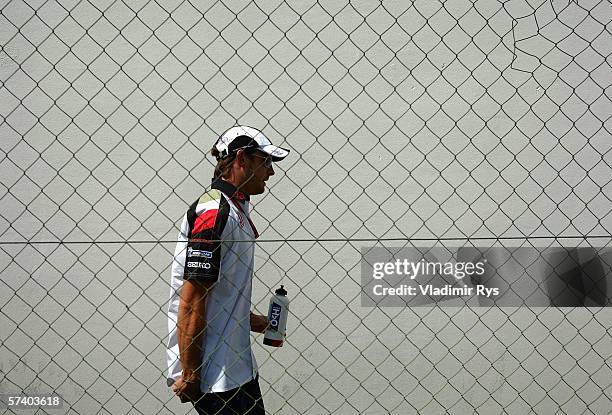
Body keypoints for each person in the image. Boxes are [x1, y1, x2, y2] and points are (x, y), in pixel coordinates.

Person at [166, 126, 290, 414]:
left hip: (238, 369)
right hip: (215, 376)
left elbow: (216, 293)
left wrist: (248, 319)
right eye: (266, 162)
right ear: (242, 159)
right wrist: (192, 374)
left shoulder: (236, 208)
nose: (270, 172)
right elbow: (192, 301)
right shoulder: (214, 212)